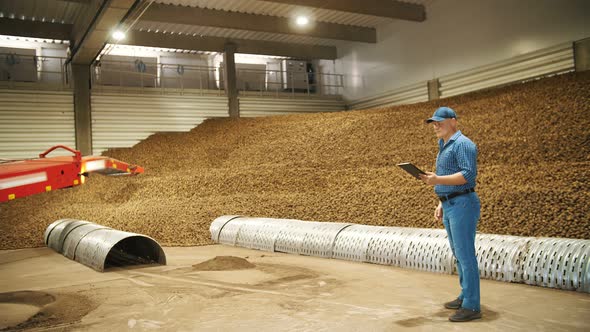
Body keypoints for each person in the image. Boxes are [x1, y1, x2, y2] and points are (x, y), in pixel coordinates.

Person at [419, 106, 482, 322]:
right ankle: (465, 295)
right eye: (433, 122)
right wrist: (441, 201)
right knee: (458, 254)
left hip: (463, 204)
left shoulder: (463, 144)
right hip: (450, 204)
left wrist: (436, 181)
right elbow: (448, 176)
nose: (435, 125)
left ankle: (472, 306)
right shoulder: (443, 144)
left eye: (439, 121)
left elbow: (467, 175)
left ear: (453, 121)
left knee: (466, 255)